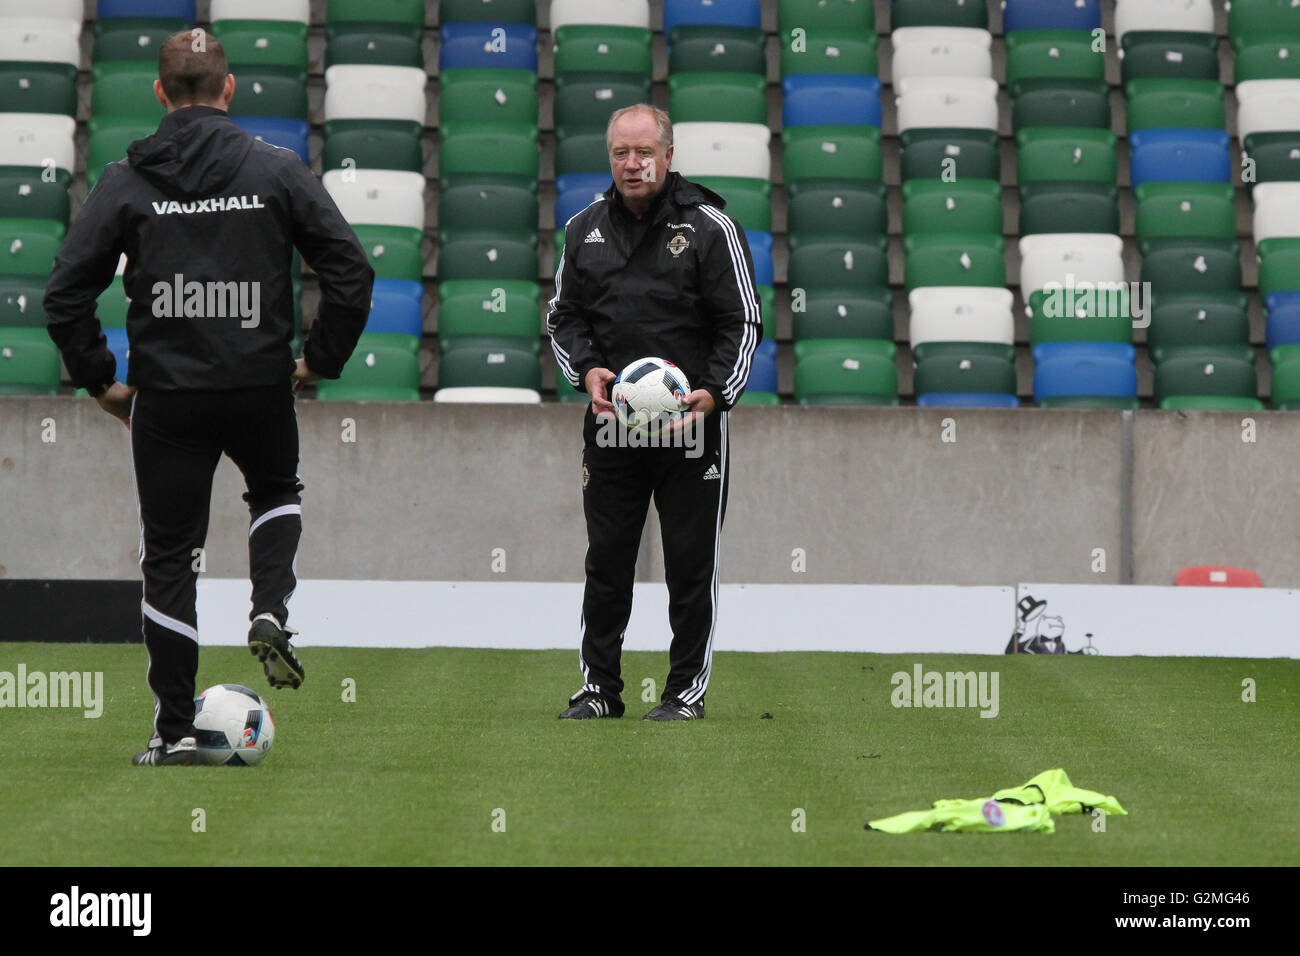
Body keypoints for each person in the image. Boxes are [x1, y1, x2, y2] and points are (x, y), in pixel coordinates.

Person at [44, 32, 374, 765]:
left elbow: (64, 292)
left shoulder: (127, 179)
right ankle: (269, 607)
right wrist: (318, 360)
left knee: (169, 557)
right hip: (260, 384)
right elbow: (352, 272)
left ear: (161, 94)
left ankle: (171, 735)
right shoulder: (277, 168)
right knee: (276, 490)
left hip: (166, 398)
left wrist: (100, 380)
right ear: (229, 91)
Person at [547, 104, 762, 721]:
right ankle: (599, 691)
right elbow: (563, 316)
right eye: (621, 153)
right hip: (612, 430)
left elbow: (741, 323)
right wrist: (586, 371)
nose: (632, 164)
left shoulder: (711, 227)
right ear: (609, 157)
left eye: (644, 153)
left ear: (669, 156)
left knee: (690, 567)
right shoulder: (582, 229)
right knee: (606, 562)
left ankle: (683, 695)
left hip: (690, 433)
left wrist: (715, 394)